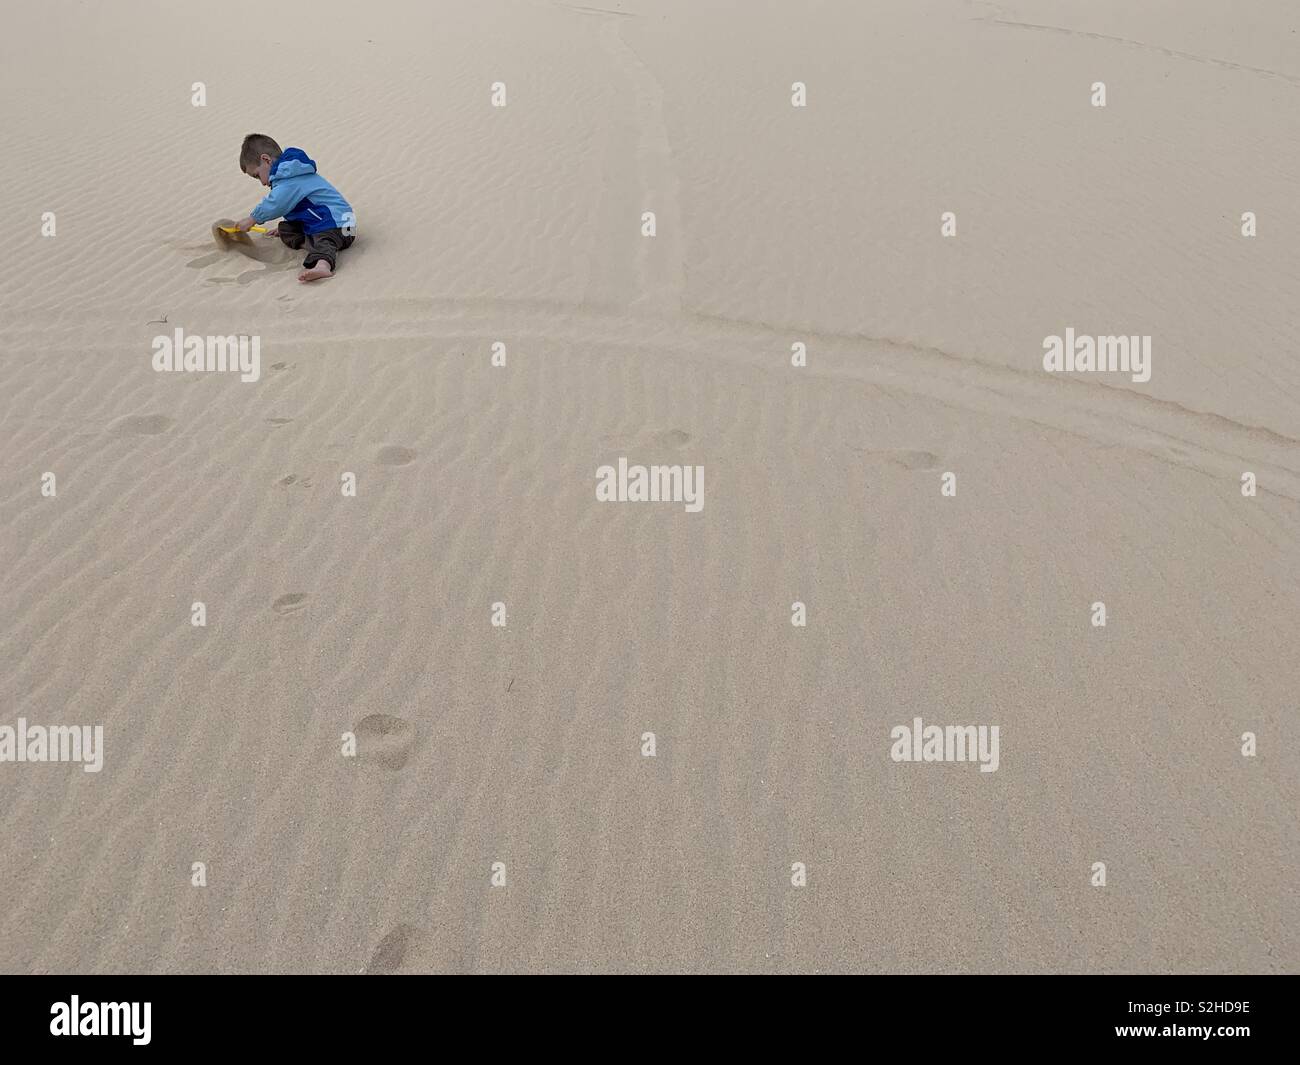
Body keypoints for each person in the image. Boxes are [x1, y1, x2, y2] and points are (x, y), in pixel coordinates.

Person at [231, 134, 355, 283]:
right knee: (285, 229)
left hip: (341, 225)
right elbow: (296, 207)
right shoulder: (288, 176)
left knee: (324, 238)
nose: (262, 182)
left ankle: (323, 265)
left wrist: (253, 219)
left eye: (257, 175)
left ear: (266, 160)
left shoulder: (290, 178)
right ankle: (311, 243)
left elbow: (275, 204)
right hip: (323, 222)